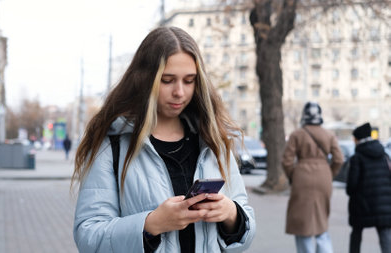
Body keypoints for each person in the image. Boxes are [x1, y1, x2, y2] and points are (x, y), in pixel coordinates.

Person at [71, 26, 255, 253]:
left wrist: (231, 214)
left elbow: (246, 232)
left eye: (189, 81)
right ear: (144, 79)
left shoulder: (212, 139)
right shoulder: (112, 143)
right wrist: (151, 224)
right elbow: (88, 236)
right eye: (167, 80)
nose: (180, 92)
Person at [282, 101, 344, 253]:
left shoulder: (297, 134)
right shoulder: (329, 135)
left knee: (302, 223)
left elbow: (286, 161)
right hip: (324, 177)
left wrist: (293, 176)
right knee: (321, 220)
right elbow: (339, 159)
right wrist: (329, 174)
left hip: (302, 177)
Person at [346, 122, 391, 253]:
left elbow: (352, 185)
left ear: (358, 139)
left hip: (362, 204)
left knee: (356, 234)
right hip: (383, 203)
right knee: (385, 234)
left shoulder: (356, 158)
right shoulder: (384, 155)